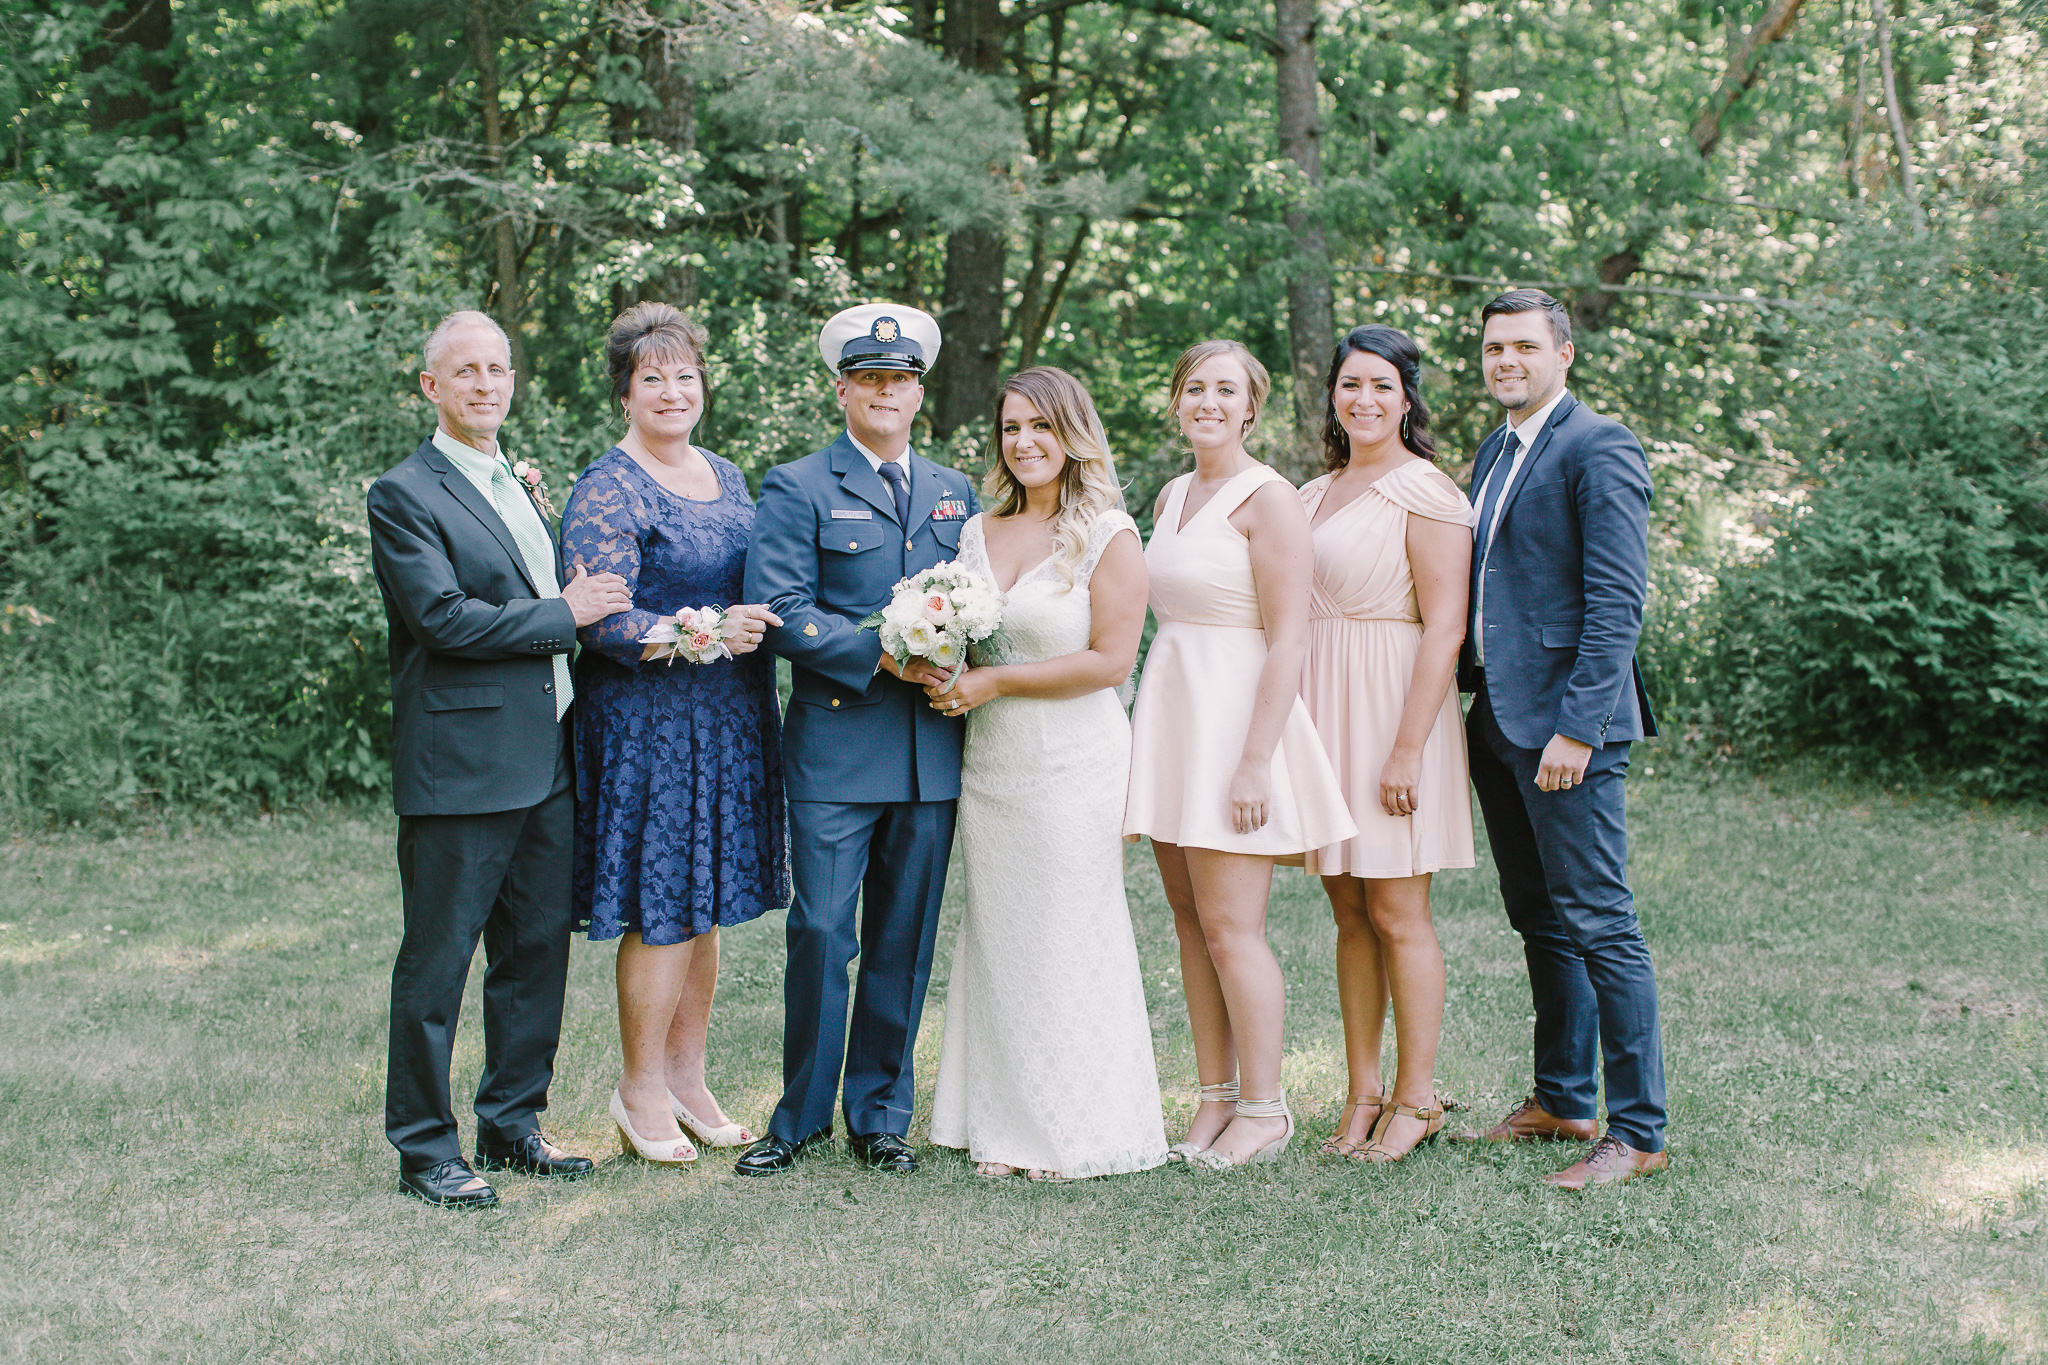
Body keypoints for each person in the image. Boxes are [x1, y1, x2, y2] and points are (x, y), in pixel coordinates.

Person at [368, 310, 632, 1208]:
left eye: (498, 368)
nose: (486, 383)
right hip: (461, 763)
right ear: (430, 387)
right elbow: (439, 619)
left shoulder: (518, 480)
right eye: (466, 370)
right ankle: (424, 1148)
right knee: (438, 963)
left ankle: (512, 1122)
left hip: (546, 753)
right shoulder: (403, 493)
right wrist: (568, 614)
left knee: (534, 953)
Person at [735, 304, 982, 1177]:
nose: (888, 391)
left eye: (902, 379)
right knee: (822, 935)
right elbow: (783, 616)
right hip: (838, 751)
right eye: (871, 377)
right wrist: (887, 653)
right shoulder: (797, 485)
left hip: (928, 754)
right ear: (843, 388)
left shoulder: (957, 489)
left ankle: (881, 1113)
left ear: (920, 392)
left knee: (903, 941)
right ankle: (798, 1116)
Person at [1448, 288, 1669, 1188]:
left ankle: (1639, 1129)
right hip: (1498, 720)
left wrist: (1579, 728)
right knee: (1538, 916)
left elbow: (1618, 601)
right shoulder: (1494, 451)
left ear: (1564, 353)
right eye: (1495, 348)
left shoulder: (1598, 445)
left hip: (1569, 729)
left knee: (1601, 919)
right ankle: (1564, 1096)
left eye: (1524, 347)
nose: (1506, 361)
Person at [924, 367, 1168, 1182]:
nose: (1024, 443)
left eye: (1041, 427)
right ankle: (998, 1122)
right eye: (1010, 428)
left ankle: (1079, 1127)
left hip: (1073, 759)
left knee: (1068, 931)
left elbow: (1108, 661)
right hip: (991, 762)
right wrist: (933, 661)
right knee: (1001, 937)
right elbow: (958, 634)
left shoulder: (1108, 531)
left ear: (1072, 435)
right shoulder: (977, 532)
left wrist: (991, 681)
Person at [558, 303, 788, 1166]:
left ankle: (689, 1077)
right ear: (624, 391)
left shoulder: (727, 476)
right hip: (649, 722)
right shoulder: (607, 486)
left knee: (710, 899)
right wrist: (703, 633)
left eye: (685, 374)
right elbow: (602, 622)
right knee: (663, 907)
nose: (672, 390)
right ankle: (639, 1085)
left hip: (729, 717)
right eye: (651, 377)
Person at [1123, 339, 1357, 1170]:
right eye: (1195, 388)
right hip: (1176, 710)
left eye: (1226, 390)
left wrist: (1256, 760)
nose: (1209, 402)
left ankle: (1266, 1108)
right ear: (1178, 400)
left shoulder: (1271, 500)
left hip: (1238, 722)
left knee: (1233, 928)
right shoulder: (1173, 493)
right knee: (1189, 925)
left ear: (1251, 407)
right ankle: (1215, 1096)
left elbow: (1291, 635)